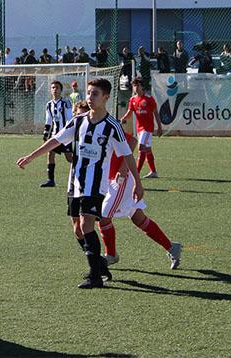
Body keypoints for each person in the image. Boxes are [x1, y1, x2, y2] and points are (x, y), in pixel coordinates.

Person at [17, 78, 142, 289]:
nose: (90, 97)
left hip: (96, 185)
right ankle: (99, 264)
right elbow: (56, 140)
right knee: (77, 229)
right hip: (75, 182)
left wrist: (137, 183)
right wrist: (31, 156)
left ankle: (95, 276)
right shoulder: (78, 121)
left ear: (106, 97)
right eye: (89, 93)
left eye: (95, 94)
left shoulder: (113, 126)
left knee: (86, 225)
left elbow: (128, 155)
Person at [70, 101, 182, 270]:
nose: (83, 116)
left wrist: (123, 167)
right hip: (105, 181)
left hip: (120, 179)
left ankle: (111, 255)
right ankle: (171, 247)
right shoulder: (81, 129)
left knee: (104, 216)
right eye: (79, 114)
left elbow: (133, 140)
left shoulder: (106, 125)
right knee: (137, 217)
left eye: (84, 113)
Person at [121, 78, 163, 178]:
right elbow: (129, 112)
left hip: (147, 129)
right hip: (139, 129)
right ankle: (153, 172)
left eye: (137, 85)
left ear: (142, 86)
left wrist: (159, 127)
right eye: (134, 85)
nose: (136, 87)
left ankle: (136, 173)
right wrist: (123, 118)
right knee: (147, 149)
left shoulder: (149, 99)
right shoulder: (133, 99)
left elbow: (156, 113)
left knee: (141, 147)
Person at [40, 81, 73, 188]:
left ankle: (80, 175)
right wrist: (45, 135)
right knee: (50, 154)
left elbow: (69, 118)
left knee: (69, 158)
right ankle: (50, 180)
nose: (55, 89)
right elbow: (48, 120)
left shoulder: (66, 103)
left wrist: (68, 133)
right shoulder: (49, 104)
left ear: (61, 90)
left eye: (57, 88)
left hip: (65, 135)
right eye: (53, 87)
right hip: (54, 135)